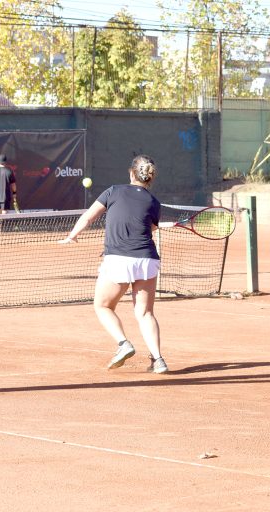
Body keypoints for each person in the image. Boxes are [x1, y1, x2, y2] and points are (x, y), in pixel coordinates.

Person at [59, 155, 167, 374]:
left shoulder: (113, 191)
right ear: (149, 177)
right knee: (145, 313)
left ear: (131, 173)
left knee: (103, 306)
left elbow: (89, 217)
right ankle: (158, 360)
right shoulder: (153, 201)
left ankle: (123, 344)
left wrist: (72, 236)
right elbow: (150, 228)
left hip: (118, 258)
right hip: (147, 259)